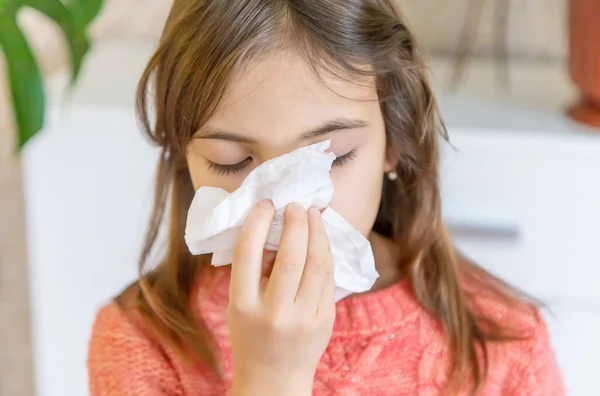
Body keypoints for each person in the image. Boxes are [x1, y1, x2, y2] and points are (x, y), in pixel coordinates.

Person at [87, 0, 565, 394]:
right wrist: (271, 380)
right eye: (232, 161)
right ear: (185, 158)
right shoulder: (142, 345)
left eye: (332, 157)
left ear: (393, 142)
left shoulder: (506, 351)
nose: (286, 209)